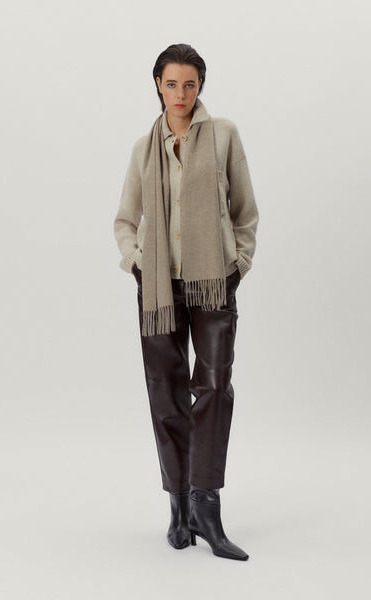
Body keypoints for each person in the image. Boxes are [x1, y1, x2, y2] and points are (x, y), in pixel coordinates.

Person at [113, 43, 259, 561]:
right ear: (158, 84)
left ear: (200, 87)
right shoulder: (143, 148)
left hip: (214, 281)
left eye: (189, 84)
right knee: (166, 392)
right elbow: (125, 219)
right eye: (172, 83)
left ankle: (206, 506)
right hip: (158, 285)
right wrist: (136, 261)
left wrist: (238, 262)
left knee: (214, 387)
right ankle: (178, 507)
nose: (180, 94)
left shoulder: (224, 135)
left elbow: (245, 210)